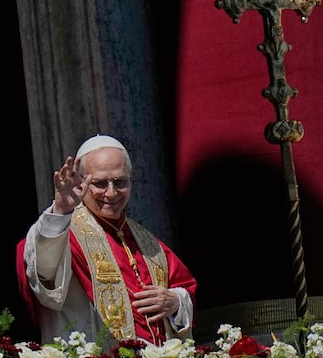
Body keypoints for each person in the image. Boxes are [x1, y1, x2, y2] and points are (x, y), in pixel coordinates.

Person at [17, 134, 197, 346]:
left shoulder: (147, 242)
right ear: (81, 182)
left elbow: (185, 287)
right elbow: (43, 274)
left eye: (120, 182)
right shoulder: (62, 231)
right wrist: (62, 210)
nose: (111, 193)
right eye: (100, 183)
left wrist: (175, 301)